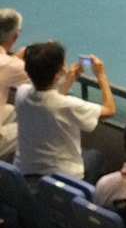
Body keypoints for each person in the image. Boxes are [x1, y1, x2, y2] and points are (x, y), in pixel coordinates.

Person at [14, 41, 115, 183]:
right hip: (62, 176)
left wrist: (68, 80)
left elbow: (50, 103)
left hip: (25, 169)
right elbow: (110, 110)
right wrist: (101, 76)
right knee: (95, 156)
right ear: (59, 73)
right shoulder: (69, 105)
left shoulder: (21, 92)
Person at [0, 10, 29, 157]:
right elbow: (46, 82)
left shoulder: (9, 64)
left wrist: (14, 60)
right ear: (15, 36)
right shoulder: (11, 65)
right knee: (34, 128)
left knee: (11, 110)